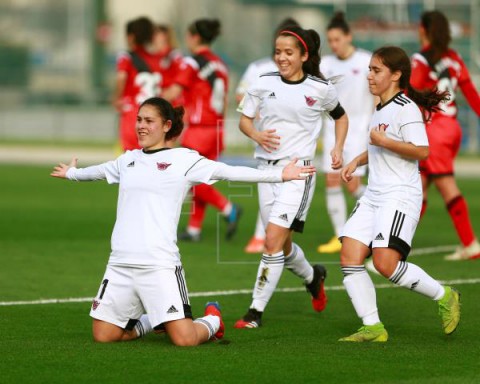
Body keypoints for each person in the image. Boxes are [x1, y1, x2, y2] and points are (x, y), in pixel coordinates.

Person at [50, 97, 316, 345]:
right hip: (120, 264)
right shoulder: (128, 160)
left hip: (159, 264)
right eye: (139, 120)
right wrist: (72, 173)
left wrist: (280, 175)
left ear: (167, 126)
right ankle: (154, 320)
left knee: (185, 340)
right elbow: (96, 172)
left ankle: (212, 320)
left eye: (149, 121)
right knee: (104, 335)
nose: (141, 126)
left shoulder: (184, 160)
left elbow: (230, 172)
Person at [338, 46, 459, 342]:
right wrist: (357, 160)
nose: (369, 76)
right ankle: (373, 327)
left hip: (399, 196)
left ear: (395, 75)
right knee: (349, 256)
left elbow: (422, 150)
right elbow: (383, 143)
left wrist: (384, 142)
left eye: (376, 70)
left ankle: (445, 296)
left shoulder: (406, 108)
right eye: (369, 69)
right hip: (375, 195)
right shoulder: (380, 107)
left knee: (384, 264)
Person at [235, 26, 349, 328]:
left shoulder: (320, 89)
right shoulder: (262, 82)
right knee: (282, 248)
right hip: (266, 172)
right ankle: (314, 276)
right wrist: (257, 134)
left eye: (288, 52)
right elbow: (244, 121)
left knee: (271, 242)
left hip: (300, 173)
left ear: (303, 55)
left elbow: (340, 116)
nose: (281, 58)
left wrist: (337, 148)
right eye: (277, 52)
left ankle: (254, 312)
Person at [162, 18, 241, 242]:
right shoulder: (220, 64)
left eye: (188, 36)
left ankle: (228, 209)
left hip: (199, 129)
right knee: (200, 178)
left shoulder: (192, 62)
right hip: (216, 128)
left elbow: (175, 90)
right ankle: (194, 229)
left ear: (195, 37)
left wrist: (153, 105)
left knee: (189, 177)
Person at [411, 10, 480, 261]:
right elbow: (471, 92)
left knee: (445, 186)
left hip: (433, 130)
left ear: (423, 30)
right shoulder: (454, 58)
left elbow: (413, 95)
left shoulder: (420, 60)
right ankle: (393, 247)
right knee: (418, 189)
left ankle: (471, 243)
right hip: (451, 128)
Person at [235, 17, 301, 254]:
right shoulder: (259, 68)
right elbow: (240, 97)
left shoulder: (307, 74)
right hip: (267, 138)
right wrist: (257, 119)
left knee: (282, 198)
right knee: (267, 185)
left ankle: (266, 238)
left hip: (295, 149)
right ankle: (263, 237)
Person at [317, 12, 375, 254]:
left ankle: (375, 222)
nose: (334, 44)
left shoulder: (365, 60)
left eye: (337, 39)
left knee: (352, 184)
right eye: (330, 40)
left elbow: (376, 93)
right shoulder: (326, 64)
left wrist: (375, 124)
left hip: (360, 128)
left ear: (349, 36)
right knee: (331, 179)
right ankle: (341, 235)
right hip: (333, 128)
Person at [111, 17, 163, 151]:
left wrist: (116, 98)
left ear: (131, 37)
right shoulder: (156, 59)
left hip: (134, 112)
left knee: (130, 159)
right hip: (154, 114)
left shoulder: (126, 56)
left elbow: (121, 77)